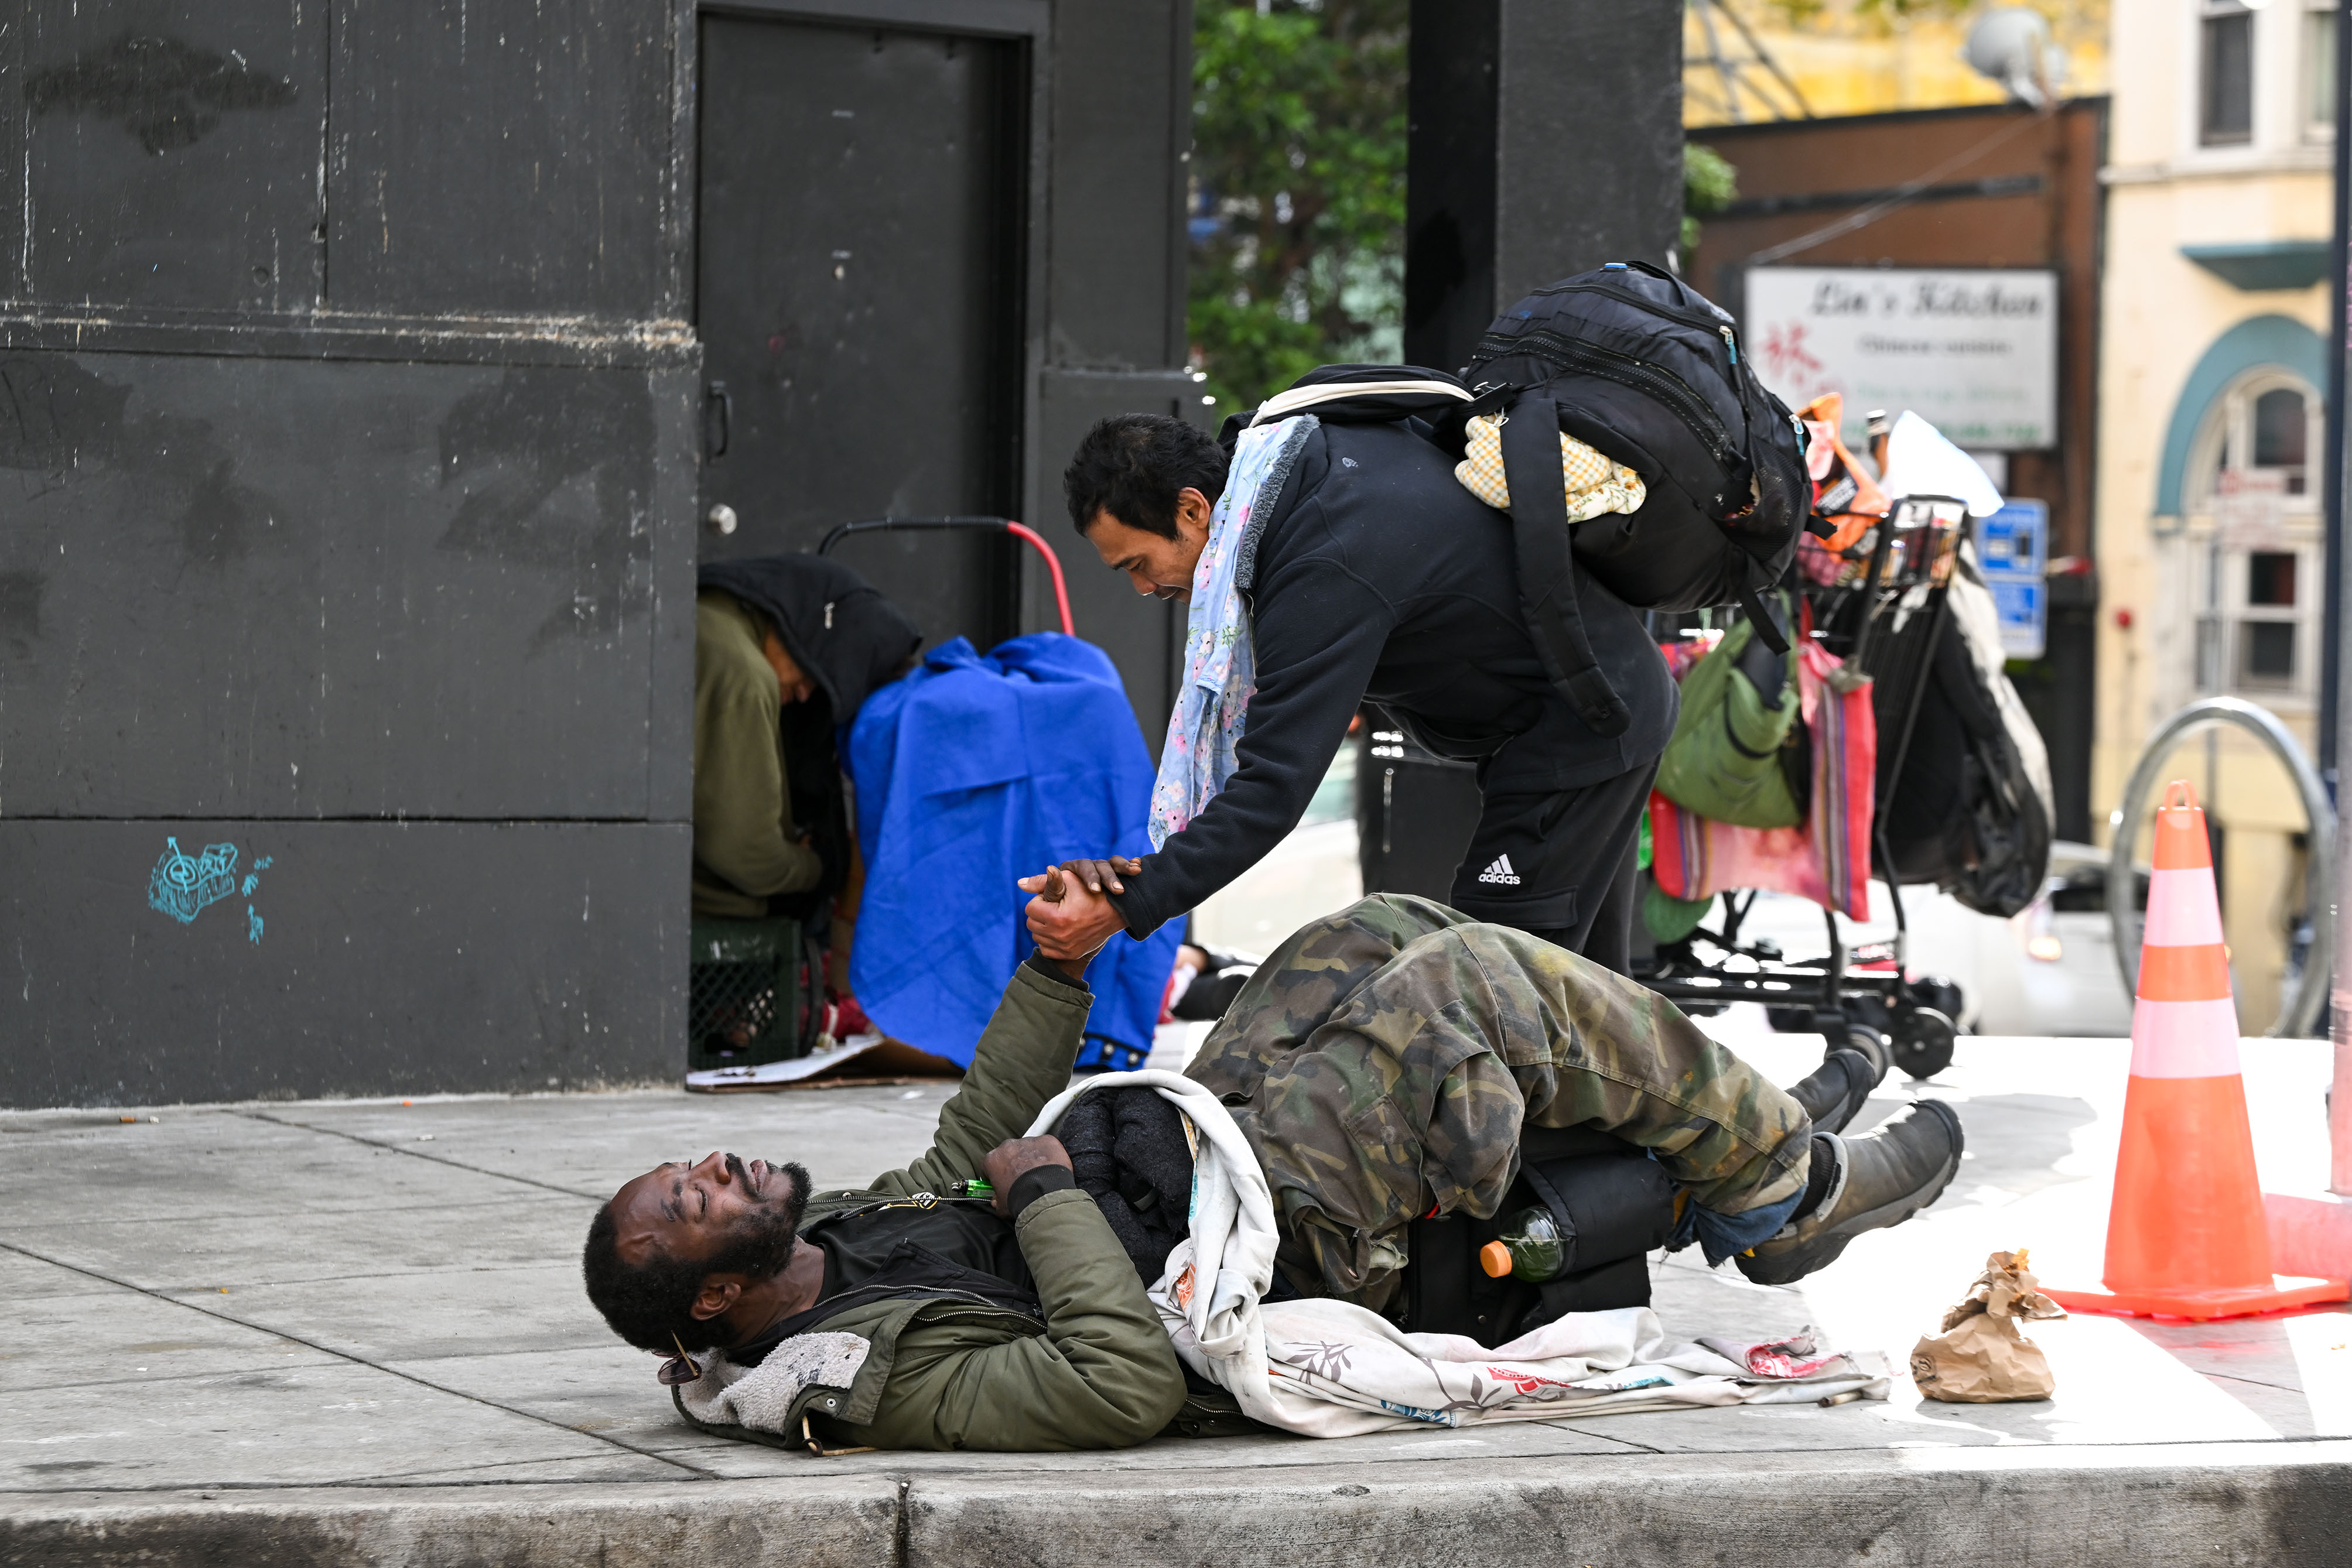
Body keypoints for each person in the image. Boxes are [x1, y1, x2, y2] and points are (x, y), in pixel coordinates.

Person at [582, 884, 1961, 1453]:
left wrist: (1055, 969)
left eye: (692, 1164)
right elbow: (1112, 1384)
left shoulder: (839, 1241)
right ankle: (1781, 1189)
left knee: (1365, 932)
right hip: (1261, 1247)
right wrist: (1046, 1196)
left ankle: (1695, 1141)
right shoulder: (873, 1380)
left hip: (1195, 1154)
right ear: (711, 1302)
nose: (717, 1162)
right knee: (1454, 987)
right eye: (695, 1199)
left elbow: (970, 1142)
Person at [1028, 408, 1678, 980]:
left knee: (1490, 992)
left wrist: (1124, 906)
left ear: (1193, 509)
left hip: (1579, 727)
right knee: (1592, 1003)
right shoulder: (1295, 469)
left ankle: (1740, 1121)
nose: (1143, 589)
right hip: (1592, 705)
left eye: (1137, 564)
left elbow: (1269, 790)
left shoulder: (1319, 561)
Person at [690, 553, 919, 922]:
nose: (803, 694)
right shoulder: (743, 673)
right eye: (812, 673)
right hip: (698, 923)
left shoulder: (702, 618)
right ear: (800, 626)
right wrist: (818, 867)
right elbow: (745, 853)